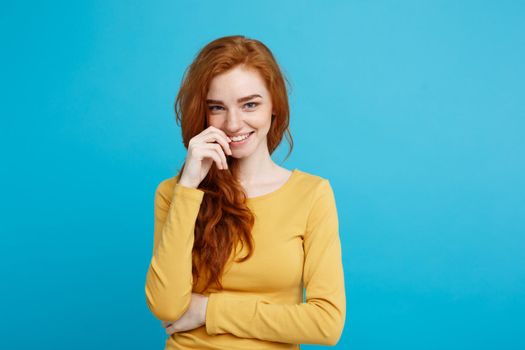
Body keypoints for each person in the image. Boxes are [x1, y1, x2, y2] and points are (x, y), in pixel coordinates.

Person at [144, 35, 346, 349]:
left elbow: (326, 324)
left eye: (250, 104)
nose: (234, 124)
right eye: (217, 108)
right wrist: (188, 187)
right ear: (203, 113)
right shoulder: (175, 193)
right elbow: (166, 307)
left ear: (274, 106)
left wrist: (209, 310)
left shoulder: (312, 194)